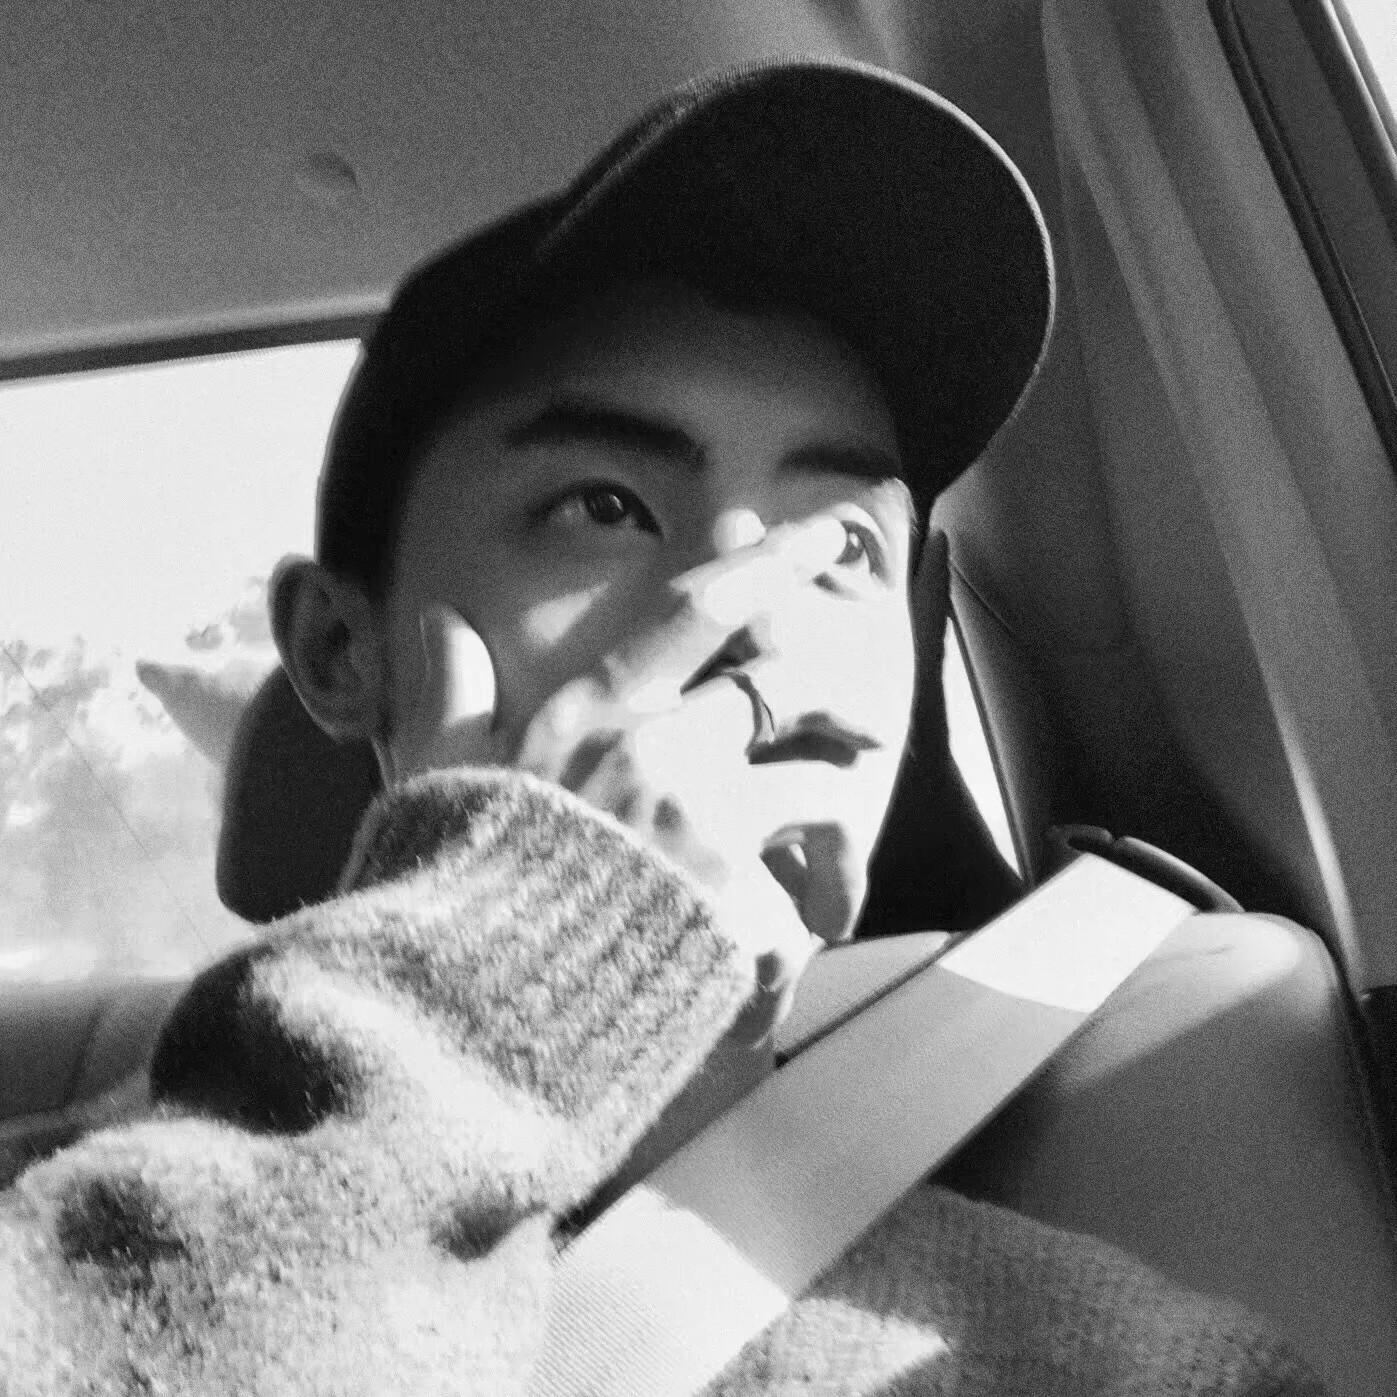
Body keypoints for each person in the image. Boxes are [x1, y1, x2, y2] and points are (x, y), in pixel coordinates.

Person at [0, 58, 1323, 1395]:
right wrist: (517, 950)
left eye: (840, 545)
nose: (744, 612)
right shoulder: (54, 1216)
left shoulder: (1121, 1359)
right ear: (344, 651)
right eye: (605, 507)